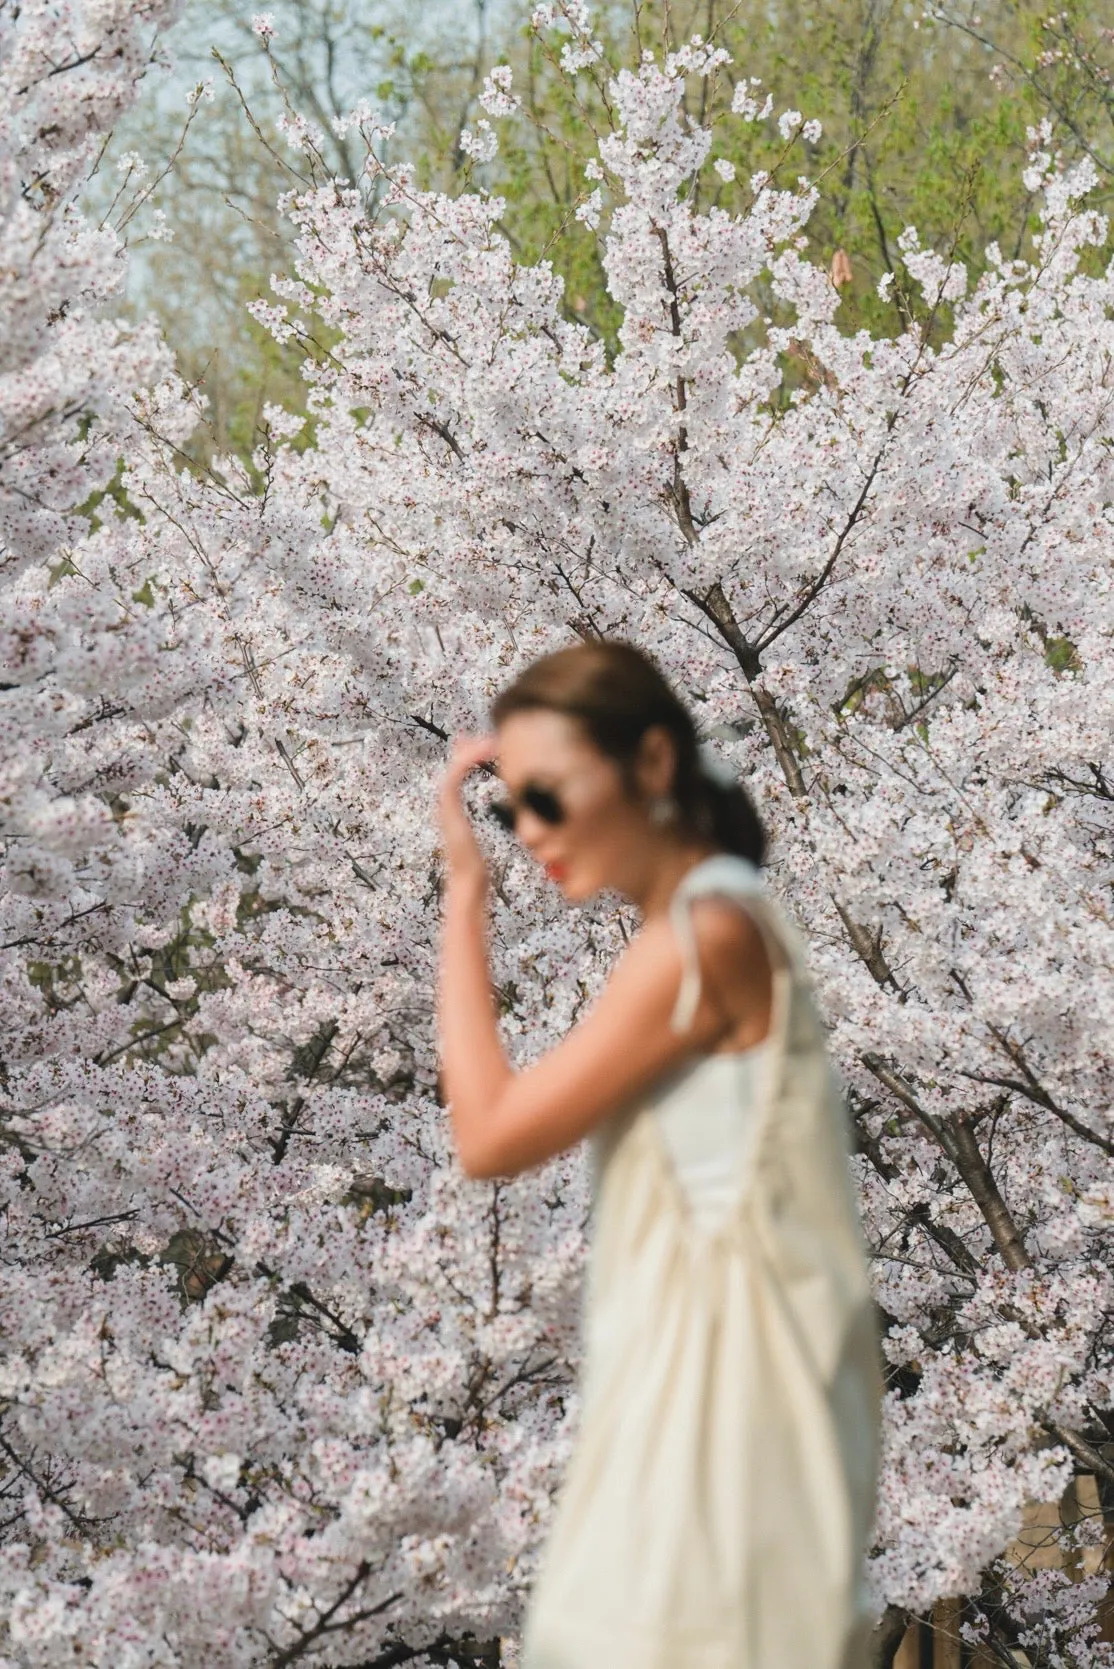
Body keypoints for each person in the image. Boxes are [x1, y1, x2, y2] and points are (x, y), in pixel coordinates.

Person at [436, 640, 882, 1669]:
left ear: (647, 764)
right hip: (698, 1396)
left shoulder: (702, 937)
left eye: (546, 795)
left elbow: (489, 1134)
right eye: (509, 815)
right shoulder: (706, 921)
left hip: (723, 1427)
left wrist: (465, 900)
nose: (530, 834)